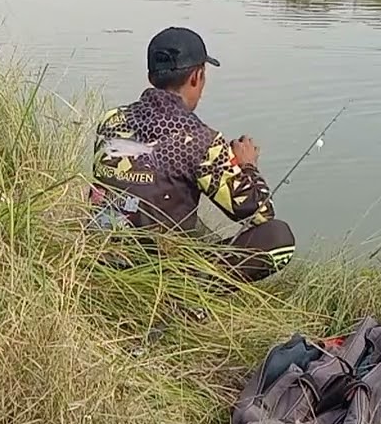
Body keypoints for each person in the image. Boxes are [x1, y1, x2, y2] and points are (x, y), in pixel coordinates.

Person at [91, 27, 295, 285]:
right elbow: (259, 213)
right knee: (278, 238)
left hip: (98, 260)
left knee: (184, 215)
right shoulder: (200, 140)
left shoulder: (110, 120)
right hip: (158, 277)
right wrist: (247, 166)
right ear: (197, 77)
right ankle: (187, 300)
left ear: (151, 76)